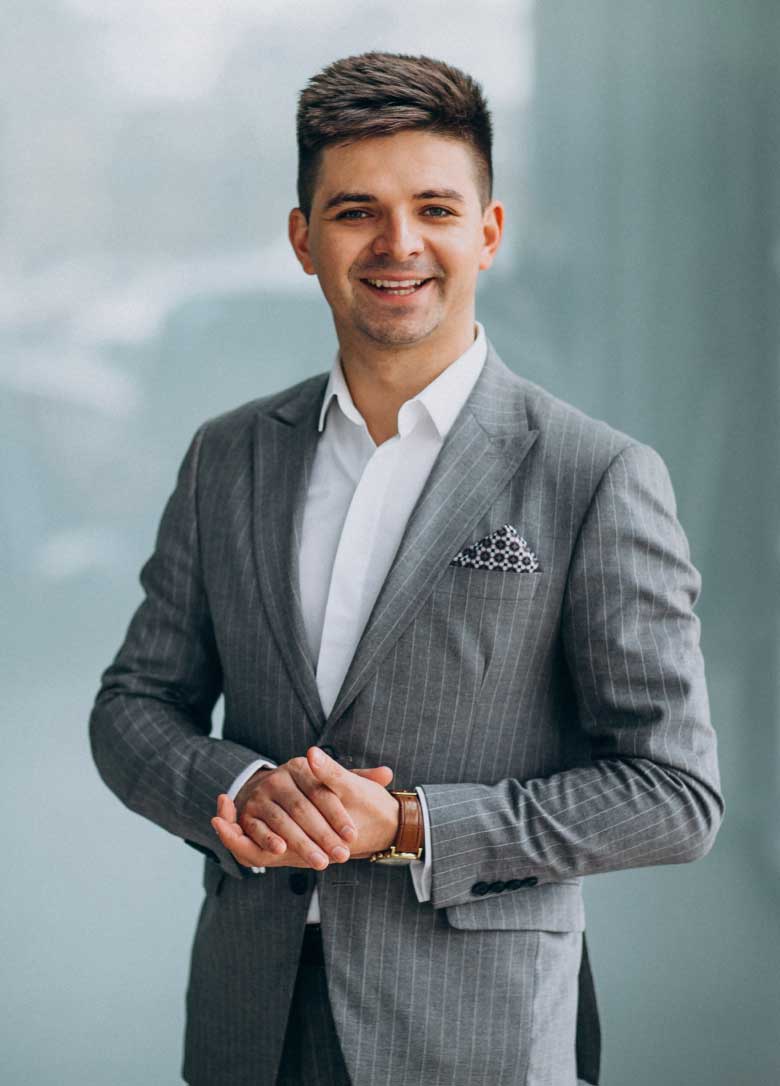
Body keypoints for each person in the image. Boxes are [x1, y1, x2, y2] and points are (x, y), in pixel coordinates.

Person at [89, 51, 723, 1086]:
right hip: (250, 1020)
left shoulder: (594, 475)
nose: (398, 244)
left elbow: (674, 791)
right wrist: (242, 790)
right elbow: (133, 705)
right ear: (304, 238)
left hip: (478, 1035)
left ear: (489, 231)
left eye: (435, 208)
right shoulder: (227, 456)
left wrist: (410, 827)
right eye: (356, 212)